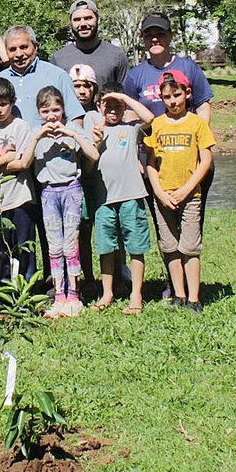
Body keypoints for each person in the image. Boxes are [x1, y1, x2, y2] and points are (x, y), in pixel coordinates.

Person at [144, 70, 216, 312]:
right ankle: (179, 293)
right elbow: (151, 164)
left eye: (177, 95)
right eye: (167, 97)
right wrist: (160, 194)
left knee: (190, 247)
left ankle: (194, 298)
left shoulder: (197, 123)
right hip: (163, 197)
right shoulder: (157, 125)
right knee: (169, 246)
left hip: (190, 195)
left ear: (187, 94)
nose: (173, 101)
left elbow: (205, 159)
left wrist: (187, 189)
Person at [25, 85, 99, 318]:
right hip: (48, 192)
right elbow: (24, 161)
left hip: (71, 191)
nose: (51, 116)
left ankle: (74, 295)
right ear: (39, 112)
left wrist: (73, 134)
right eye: (46, 111)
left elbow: (94, 155)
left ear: (63, 110)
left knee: (71, 244)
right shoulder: (35, 132)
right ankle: (59, 295)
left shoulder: (71, 130)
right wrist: (37, 137)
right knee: (54, 245)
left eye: (56, 110)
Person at [88, 85, 156, 314]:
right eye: (108, 105)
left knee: (136, 246)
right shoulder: (95, 131)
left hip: (131, 196)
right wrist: (95, 143)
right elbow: (87, 165)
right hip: (104, 200)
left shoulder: (131, 128)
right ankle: (107, 292)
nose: (113, 110)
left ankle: (136, 294)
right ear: (99, 107)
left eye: (118, 106)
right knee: (106, 248)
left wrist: (122, 96)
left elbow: (149, 117)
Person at [0, 77, 41, 291]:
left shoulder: (21, 127)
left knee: (25, 247)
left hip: (21, 197)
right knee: (1, 248)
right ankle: (1, 291)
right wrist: (4, 159)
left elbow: (22, 163)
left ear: (13, 101)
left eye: (3, 104)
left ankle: (27, 289)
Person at [123, 12, 215, 120]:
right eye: (149, 35)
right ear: (142, 38)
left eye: (160, 34)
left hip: (186, 135)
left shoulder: (189, 68)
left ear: (171, 35)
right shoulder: (135, 74)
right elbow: (131, 112)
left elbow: (202, 106)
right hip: (150, 136)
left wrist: (201, 133)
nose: (154, 39)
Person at [0, 25, 85, 127]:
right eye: (12, 49)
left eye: (24, 47)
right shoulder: (0, 80)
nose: (19, 54)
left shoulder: (58, 76)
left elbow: (75, 118)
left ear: (36, 47)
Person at [68, 63, 101, 296]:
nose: (82, 91)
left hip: (99, 182)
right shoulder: (66, 118)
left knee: (107, 230)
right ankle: (85, 279)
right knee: (80, 234)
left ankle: (117, 276)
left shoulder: (99, 116)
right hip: (75, 182)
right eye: (77, 86)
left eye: (87, 86)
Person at [50, 0, 128, 91]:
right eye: (77, 19)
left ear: (98, 19)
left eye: (88, 18)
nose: (83, 24)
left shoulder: (116, 56)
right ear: (70, 23)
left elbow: (125, 96)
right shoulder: (58, 59)